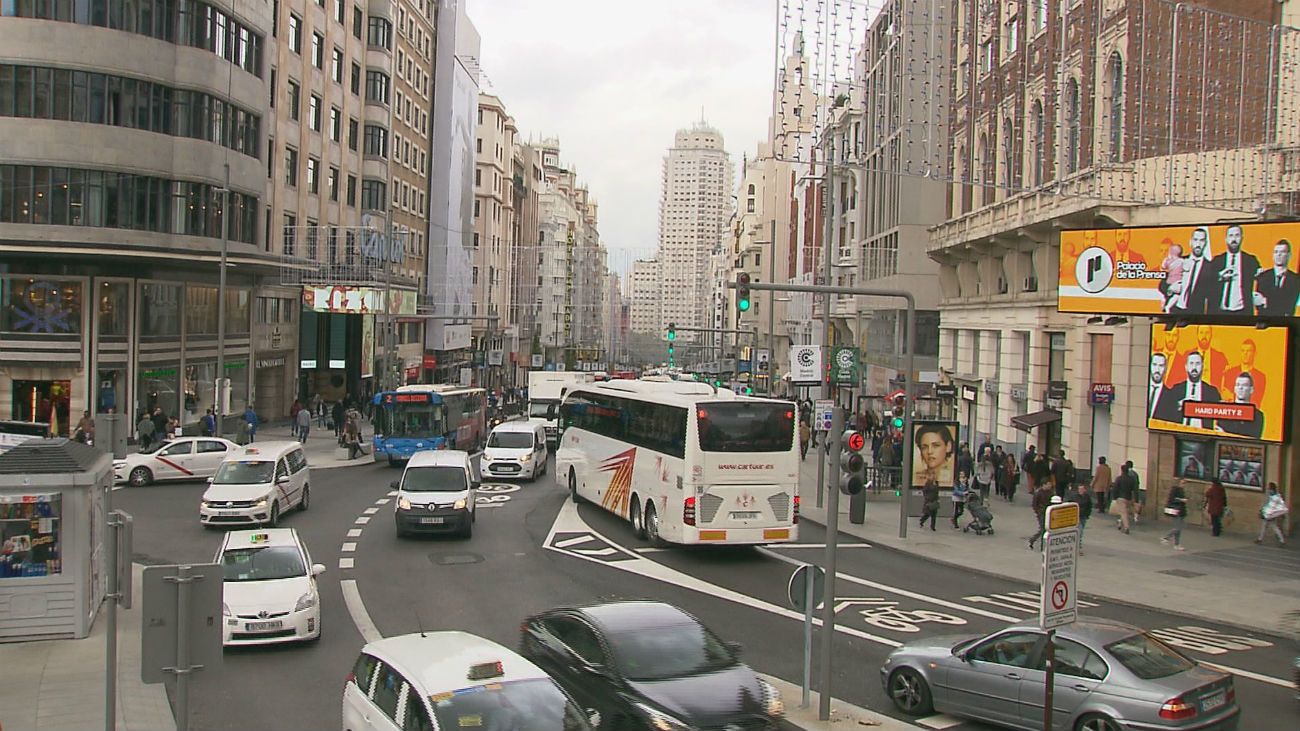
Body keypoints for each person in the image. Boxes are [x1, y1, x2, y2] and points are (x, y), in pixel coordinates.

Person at [1209, 224, 1260, 315]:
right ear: (1226, 239)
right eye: (1231, 236)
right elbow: (1205, 282)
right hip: (1219, 312)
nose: (1234, 239)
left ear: (1242, 238)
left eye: (1237, 235)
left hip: (1243, 312)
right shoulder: (1217, 261)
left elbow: (1261, 278)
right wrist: (1220, 276)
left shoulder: (1250, 260)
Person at [1170, 226, 1214, 314]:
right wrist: (1170, 288)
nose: (1198, 244)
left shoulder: (1211, 267)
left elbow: (1211, 294)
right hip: (1175, 311)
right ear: (1191, 242)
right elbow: (1162, 284)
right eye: (1196, 240)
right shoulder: (1179, 261)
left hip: (1195, 314)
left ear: (1205, 243)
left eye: (1201, 240)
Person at [1172, 351, 1221, 430]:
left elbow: (1221, 415)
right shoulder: (1176, 390)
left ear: (1203, 366)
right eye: (1191, 363)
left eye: (1197, 364)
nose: (1194, 368)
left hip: (1205, 435)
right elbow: (1166, 412)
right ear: (1186, 367)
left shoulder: (1212, 392)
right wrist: (1178, 405)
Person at [1253, 238, 1299, 316]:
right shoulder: (1263, 277)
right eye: (1276, 252)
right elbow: (1258, 305)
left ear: (1289, 255)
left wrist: (1265, 301)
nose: (1278, 254)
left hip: (1285, 323)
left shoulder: (1296, 279)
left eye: (1282, 252)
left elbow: (1290, 305)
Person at [1216, 372, 1265, 439]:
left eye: (1244, 385)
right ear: (1234, 389)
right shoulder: (1225, 411)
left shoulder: (1258, 416)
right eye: (1237, 385)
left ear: (1251, 390)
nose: (1240, 388)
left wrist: (1227, 434)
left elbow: (1253, 439)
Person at [1220, 338, 1266, 407]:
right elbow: (1226, 398)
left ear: (1255, 354)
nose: (1245, 353)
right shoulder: (1230, 373)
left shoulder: (1260, 377)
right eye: (1243, 351)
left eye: (1249, 351)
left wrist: (1233, 397)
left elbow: (1255, 401)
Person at [1147, 353, 1178, 423]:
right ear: (1150, 366)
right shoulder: (1140, 391)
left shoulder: (1172, 397)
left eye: (1161, 366)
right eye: (1154, 365)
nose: (1157, 370)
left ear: (1166, 369)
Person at [1160, 481, 1190, 550]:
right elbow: (1172, 499)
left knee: (1178, 529)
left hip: (1181, 511)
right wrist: (1181, 500)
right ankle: (1166, 537)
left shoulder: (1181, 490)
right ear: (1179, 483)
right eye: (1183, 483)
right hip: (1177, 511)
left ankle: (1177, 544)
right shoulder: (1175, 489)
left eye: (1185, 483)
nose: (1184, 485)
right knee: (1178, 528)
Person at [1158, 241, 1187, 312]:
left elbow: (1163, 266)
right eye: (1162, 251)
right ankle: (1168, 306)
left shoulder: (1168, 261)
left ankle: (1165, 303)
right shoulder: (1182, 261)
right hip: (1176, 282)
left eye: (1166, 251)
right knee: (1176, 295)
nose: (1164, 253)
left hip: (1170, 281)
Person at [1111, 462, 1137, 534]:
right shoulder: (1131, 479)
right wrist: (1136, 499)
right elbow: (1135, 489)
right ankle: (1119, 523)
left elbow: (1115, 488)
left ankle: (1126, 527)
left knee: (1123, 513)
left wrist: (1114, 497)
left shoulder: (1119, 478)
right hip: (1129, 498)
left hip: (1121, 498)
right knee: (1124, 512)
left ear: (1122, 470)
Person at [1068, 483, 1093, 555]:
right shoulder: (1074, 496)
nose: (1081, 490)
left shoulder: (1087, 497)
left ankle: (1075, 545)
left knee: (1079, 531)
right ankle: (1078, 548)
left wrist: (1087, 514)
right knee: (1080, 531)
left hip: (1083, 516)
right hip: (1076, 516)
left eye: (1082, 489)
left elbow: (1089, 506)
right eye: (1080, 489)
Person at [1028, 485, 1056, 550]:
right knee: (1043, 529)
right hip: (1041, 513)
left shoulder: (1051, 492)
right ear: (1044, 485)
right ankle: (1042, 545)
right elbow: (1034, 504)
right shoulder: (1038, 493)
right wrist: (1038, 512)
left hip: (1048, 513)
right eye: (1048, 484)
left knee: (1044, 529)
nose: (1050, 486)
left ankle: (1033, 540)